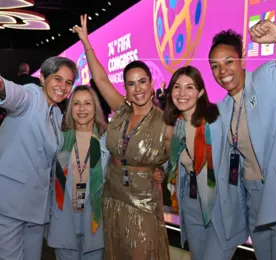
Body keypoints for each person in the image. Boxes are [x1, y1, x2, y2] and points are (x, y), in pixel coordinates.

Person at [208, 20, 276, 260]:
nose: (223, 72)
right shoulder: (224, 108)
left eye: (228, 62)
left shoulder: (269, 77)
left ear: (242, 60)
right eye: (215, 67)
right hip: (255, 204)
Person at [73, 14, 172, 259]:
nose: (137, 88)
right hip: (113, 194)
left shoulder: (165, 121)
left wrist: (162, 171)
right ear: (125, 89)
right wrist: (86, 42)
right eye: (131, 84)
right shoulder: (122, 110)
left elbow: (175, 158)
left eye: (142, 82)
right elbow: (100, 78)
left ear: (151, 84)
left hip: (143, 202)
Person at [0, 57, 78, 260]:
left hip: (37, 209)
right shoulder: (31, 97)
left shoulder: (57, 115)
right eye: (57, 79)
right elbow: (10, 92)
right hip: (10, 204)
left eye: (68, 82)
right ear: (42, 78)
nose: (62, 87)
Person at [164, 65, 246, 260]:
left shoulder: (218, 121)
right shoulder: (178, 127)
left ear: (200, 92)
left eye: (190, 87)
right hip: (191, 207)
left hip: (221, 209)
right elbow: (176, 166)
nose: (182, 93)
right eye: (177, 87)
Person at [46, 85, 109, 260]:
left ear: (95, 108)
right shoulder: (58, 140)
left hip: (95, 223)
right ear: (70, 109)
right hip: (63, 220)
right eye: (76, 104)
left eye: (87, 103)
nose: (82, 109)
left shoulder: (107, 142)